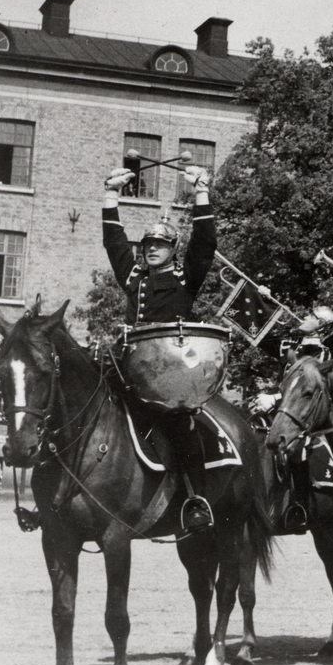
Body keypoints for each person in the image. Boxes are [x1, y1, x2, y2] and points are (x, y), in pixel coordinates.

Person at [103, 163, 217, 533]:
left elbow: (205, 244)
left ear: (172, 250)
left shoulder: (186, 277)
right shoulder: (134, 276)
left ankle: (197, 500)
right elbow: (114, 243)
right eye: (147, 245)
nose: (151, 249)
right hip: (128, 367)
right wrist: (110, 194)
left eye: (160, 245)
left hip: (168, 377)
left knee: (181, 427)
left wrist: (201, 192)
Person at [248, 305, 333, 533]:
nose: (305, 317)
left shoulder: (322, 354)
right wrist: (263, 301)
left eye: (311, 316)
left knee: (297, 448)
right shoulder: (291, 346)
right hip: (282, 410)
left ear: (322, 325)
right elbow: (260, 335)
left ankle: (298, 505)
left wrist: (274, 399)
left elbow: (307, 388)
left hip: (303, 413)